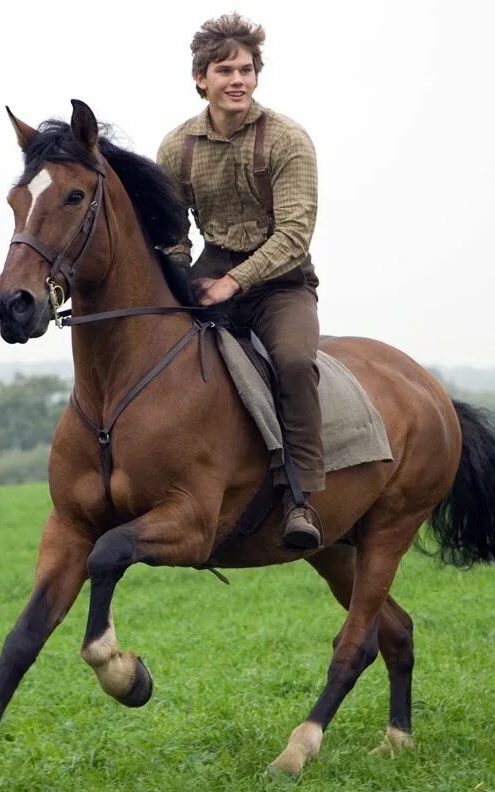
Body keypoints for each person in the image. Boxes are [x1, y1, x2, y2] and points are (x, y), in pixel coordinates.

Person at [157, 12, 324, 549]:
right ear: (200, 78)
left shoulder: (288, 139)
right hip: (210, 270)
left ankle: (301, 499)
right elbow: (172, 232)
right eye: (225, 70)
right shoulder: (176, 147)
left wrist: (233, 283)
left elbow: (294, 235)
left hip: (282, 282)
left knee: (293, 363)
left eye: (246, 70)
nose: (238, 80)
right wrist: (179, 278)